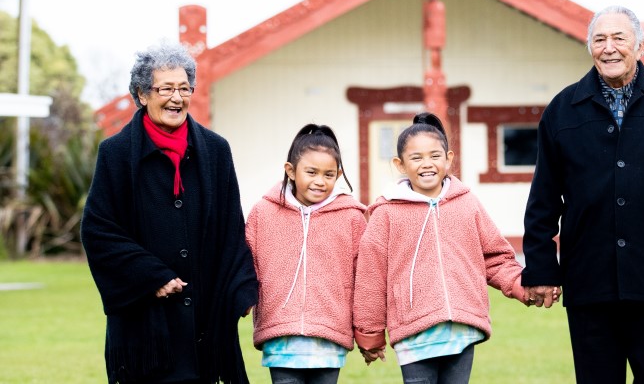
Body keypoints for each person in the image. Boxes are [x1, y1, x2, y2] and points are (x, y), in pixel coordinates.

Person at [521, 5, 644, 384]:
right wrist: (541, 268)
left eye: (619, 38)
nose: (609, 48)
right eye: (599, 39)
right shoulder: (562, 110)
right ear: (589, 47)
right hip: (589, 281)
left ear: (639, 46)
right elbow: (543, 198)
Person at [81, 42, 258, 384]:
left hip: (204, 322)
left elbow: (230, 228)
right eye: (166, 89)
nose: (177, 98)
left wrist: (240, 289)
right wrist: (151, 276)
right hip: (144, 328)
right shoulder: (115, 153)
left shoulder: (216, 151)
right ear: (142, 94)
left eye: (184, 88)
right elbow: (98, 231)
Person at [354, 112, 530, 383]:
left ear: (448, 159)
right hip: (414, 332)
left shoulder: (466, 203)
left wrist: (520, 284)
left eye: (435, 156)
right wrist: (370, 331)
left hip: (462, 329)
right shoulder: (387, 212)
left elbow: (495, 257)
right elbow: (371, 277)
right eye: (416, 158)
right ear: (400, 165)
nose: (427, 164)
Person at [245, 124, 368, 384]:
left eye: (328, 174)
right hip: (281, 334)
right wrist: (240, 300)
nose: (319, 181)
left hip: (329, 335)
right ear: (290, 170)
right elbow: (247, 262)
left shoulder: (352, 218)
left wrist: (368, 332)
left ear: (339, 174)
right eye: (311, 172)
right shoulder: (263, 213)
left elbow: (366, 278)